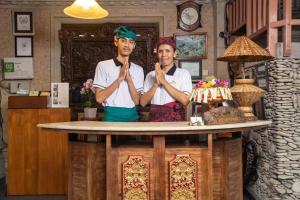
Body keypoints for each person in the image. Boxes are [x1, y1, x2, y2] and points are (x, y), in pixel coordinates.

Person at [93, 26, 144, 122]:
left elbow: (137, 101)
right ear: (116, 42)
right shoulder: (103, 65)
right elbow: (99, 98)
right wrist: (119, 79)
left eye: (131, 42)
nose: (127, 45)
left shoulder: (138, 70)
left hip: (132, 118)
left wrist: (129, 80)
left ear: (134, 46)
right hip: (110, 118)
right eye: (123, 41)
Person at [140, 37, 192, 122]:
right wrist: (156, 84)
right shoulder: (150, 75)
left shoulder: (183, 74)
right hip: (154, 121)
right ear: (157, 53)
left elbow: (185, 101)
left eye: (168, 51)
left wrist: (163, 81)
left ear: (174, 53)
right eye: (160, 51)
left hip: (175, 121)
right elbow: (142, 102)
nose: (164, 54)